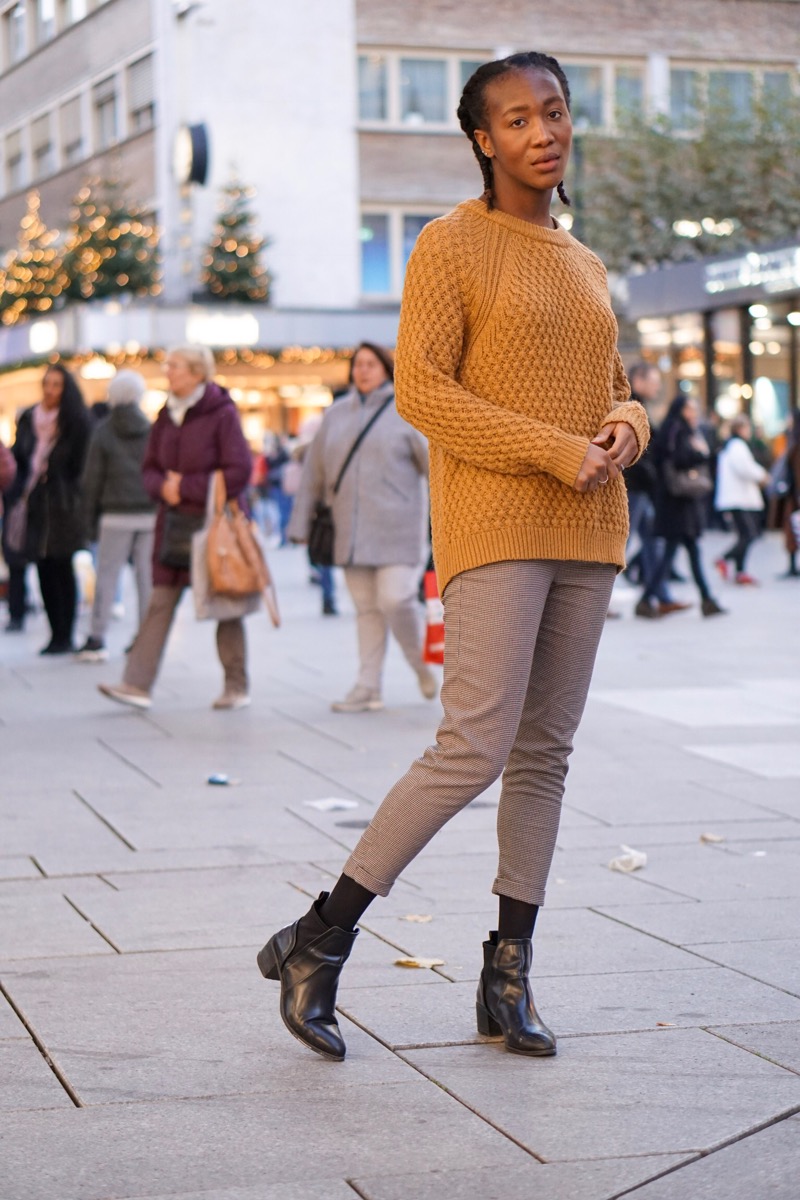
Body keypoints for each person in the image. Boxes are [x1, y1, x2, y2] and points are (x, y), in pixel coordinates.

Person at [257, 52, 650, 1063]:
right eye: (515, 119)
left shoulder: (583, 259)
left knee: (543, 756)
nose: (540, 132)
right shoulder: (447, 243)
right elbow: (425, 391)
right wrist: (556, 449)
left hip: (587, 528)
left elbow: (616, 383)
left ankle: (505, 974)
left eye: (551, 112)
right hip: (495, 524)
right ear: (481, 139)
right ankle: (322, 935)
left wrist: (622, 428)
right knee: (471, 744)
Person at [97, 345, 253, 711]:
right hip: (173, 525)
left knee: (225, 604)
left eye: (175, 365)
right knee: (160, 600)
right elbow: (149, 467)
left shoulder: (222, 413)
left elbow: (239, 471)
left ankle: (236, 685)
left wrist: (185, 486)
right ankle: (135, 684)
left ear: (198, 373)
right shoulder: (166, 414)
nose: (167, 370)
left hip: (214, 527)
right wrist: (161, 487)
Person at [287, 342, 435, 711]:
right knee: (367, 609)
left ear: (386, 369)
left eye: (371, 364)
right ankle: (368, 688)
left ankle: (420, 667)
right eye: (358, 365)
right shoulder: (335, 415)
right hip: (350, 531)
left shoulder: (408, 412)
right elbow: (314, 474)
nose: (363, 371)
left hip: (399, 529)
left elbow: (436, 471)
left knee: (396, 599)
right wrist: (299, 522)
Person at [3, 363, 90, 653]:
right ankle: (55, 634)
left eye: (57, 385)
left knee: (61, 565)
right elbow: (20, 457)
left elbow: (81, 467)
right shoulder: (29, 418)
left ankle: (66, 634)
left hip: (63, 504)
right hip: (33, 503)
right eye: (47, 384)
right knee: (41, 566)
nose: (50, 390)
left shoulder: (77, 422)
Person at [76, 370, 157, 661]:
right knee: (146, 578)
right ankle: (146, 637)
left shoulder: (104, 431)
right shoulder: (150, 428)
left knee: (107, 576)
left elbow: (92, 479)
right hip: (148, 513)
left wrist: (88, 519)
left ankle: (97, 638)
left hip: (114, 514)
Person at [638, 395, 724, 618]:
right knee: (673, 552)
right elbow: (678, 459)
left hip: (679, 503)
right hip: (677, 503)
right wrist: (701, 452)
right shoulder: (677, 429)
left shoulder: (676, 428)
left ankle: (705, 599)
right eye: (690, 408)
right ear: (681, 409)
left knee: (686, 550)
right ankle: (647, 599)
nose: (693, 413)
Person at [624, 364, 689, 619]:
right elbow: (635, 452)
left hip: (643, 488)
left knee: (652, 542)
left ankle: (658, 596)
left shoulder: (640, 406)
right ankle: (596, 600)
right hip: (634, 487)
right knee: (621, 544)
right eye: (654, 380)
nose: (658, 386)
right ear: (638, 380)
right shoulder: (630, 406)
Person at [713, 414, 769, 586]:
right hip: (739, 499)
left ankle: (740, 571)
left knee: (745, 535)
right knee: (750, 535)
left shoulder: (731, 445)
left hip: (737, 498)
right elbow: (745, 468)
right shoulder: (737, 446)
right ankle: (724, 559)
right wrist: (763, 475)